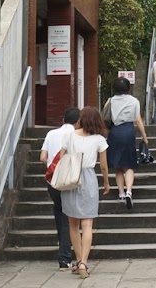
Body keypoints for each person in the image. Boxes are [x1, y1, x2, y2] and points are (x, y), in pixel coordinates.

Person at [60, 106, 111, 277]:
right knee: (87, 224)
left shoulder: (69, 136)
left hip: (71, 178)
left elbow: (61, 157)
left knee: (73, 223)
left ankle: (78, 259)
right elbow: (103, 166)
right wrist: (106, 183)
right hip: (89, 178)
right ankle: (83, 262)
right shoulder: (99, 140)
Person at [39, 107, 81, 270]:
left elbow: (42, 157)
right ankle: (64, 257)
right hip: (68, 180)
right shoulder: (76, 135)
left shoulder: (51, 134)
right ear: (78, 122)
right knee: (67, 219)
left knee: (58, 212)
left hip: (52, 181)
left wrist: (52, 165)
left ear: (63, 120)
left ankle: (62, 245)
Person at [104, 77, 149, 209]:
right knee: (129, 165)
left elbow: (105, 118)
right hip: (128, 131)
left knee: (118, 166)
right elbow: (138, 120)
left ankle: (121, 193)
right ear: (128, 88)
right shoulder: (134, 101)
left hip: (115, 132)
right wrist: (144, 136)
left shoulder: (110, 101)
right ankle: (129, 191)